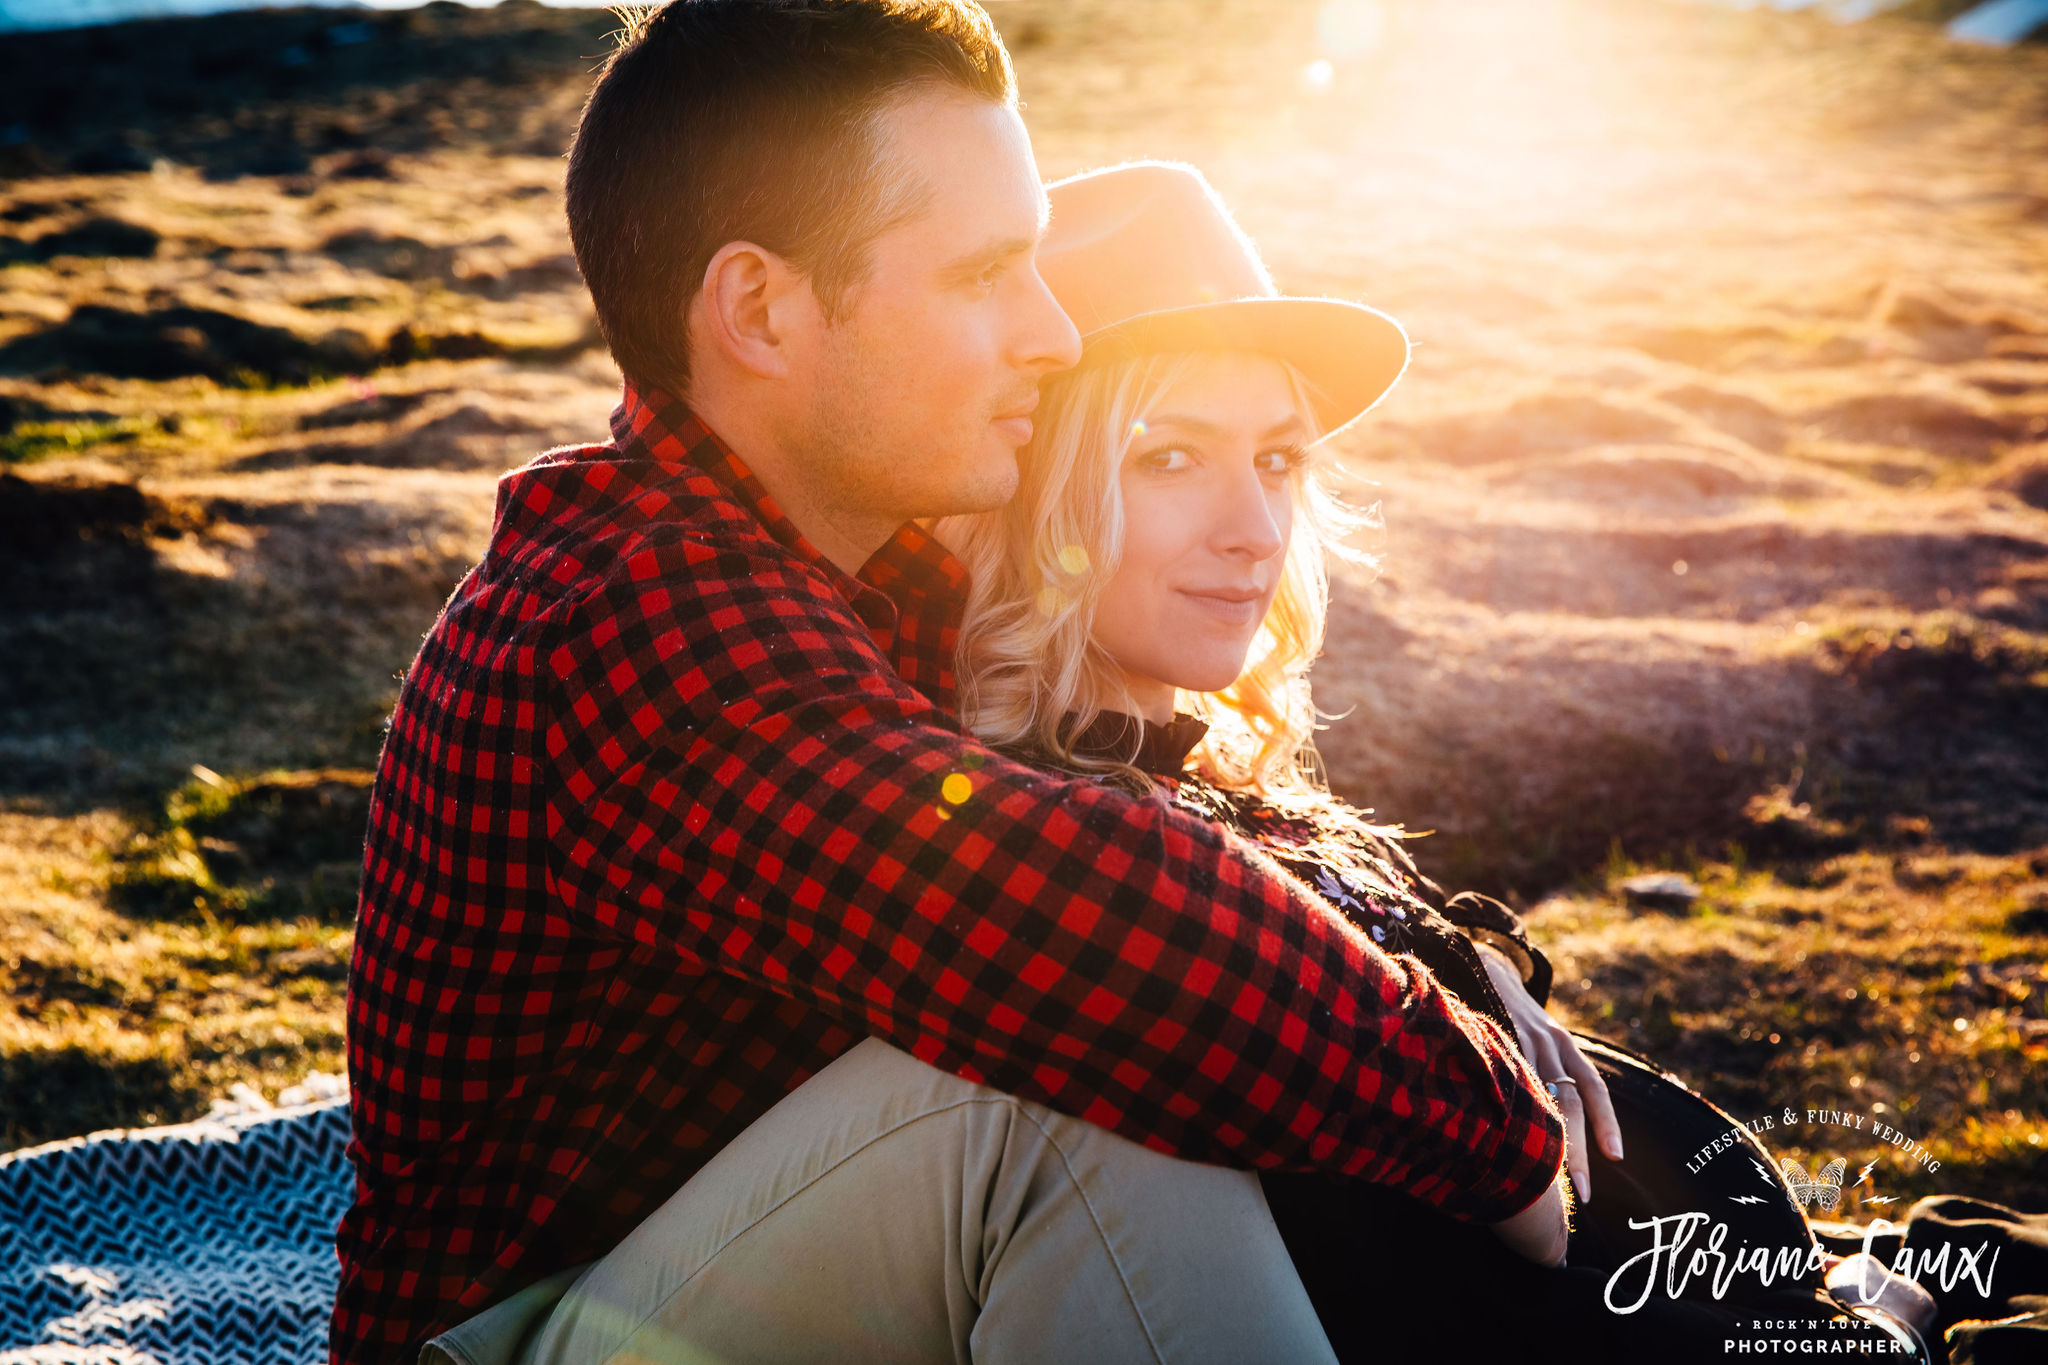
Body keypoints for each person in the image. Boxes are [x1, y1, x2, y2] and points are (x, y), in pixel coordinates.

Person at [333, 5, 1570, 1364]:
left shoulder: (846, 567)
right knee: (1051, 1106)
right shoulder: (632, 620)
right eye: (987, 273)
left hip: (710, 1285)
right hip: (521, 1334)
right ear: (760, 310)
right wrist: (1486, 1125)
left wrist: (1424, 953)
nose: (1050, 332)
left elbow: (1121, 780)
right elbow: (1064, 909)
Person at [934, 160, 1959, 1362]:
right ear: (1039, 489)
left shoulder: (1190, 767)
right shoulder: (1087, 852)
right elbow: (1443, 1300)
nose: (1253, 529)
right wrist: (1880, 1320)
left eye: (1275, 461)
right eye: (1167, 458)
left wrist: (1477, 960)